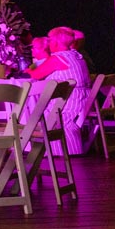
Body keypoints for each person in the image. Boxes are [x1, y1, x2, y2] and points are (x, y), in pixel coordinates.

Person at [28, 26, 92, 154]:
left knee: (38, 112)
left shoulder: (58, 58)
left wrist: (28, 70)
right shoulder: (76, 56)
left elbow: (36, 75)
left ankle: (58, 152)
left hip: (69, 102)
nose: (49, 43)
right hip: (82, 99)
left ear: (56, 41)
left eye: (50, 40)